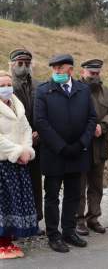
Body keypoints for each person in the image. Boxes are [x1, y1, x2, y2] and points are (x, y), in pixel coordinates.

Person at [34, 54, 97, 253]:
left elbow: (91, 119)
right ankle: (53, 235)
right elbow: (41, 123)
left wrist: (81, 143)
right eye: (54, 69)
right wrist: (61, 147)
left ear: (70, 69)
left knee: (73, 195)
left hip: (78, 152)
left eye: (60, 68)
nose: (57, 72)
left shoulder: (83, 90)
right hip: (54, 154)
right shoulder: (44, 91)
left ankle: (69, 231)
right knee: (52, 196)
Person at [76, 59, 108, 236]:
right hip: (82, 145)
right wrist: (90, 128)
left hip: (100, 145)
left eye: (97, 73)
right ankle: (78, 220)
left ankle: (93, 217)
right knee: (79, 186)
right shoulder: (75, 90)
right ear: (83, 72)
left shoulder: (106, 92)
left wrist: (103, 125)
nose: (94, 76)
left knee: (96, 185)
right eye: (91, 73)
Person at [0, 70, 38, 260]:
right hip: (3, 162)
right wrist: (17, 151)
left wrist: (26, 151)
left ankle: (11, 237)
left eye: (8, 85)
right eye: (2, 85)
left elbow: (26, 129)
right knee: (3, 203)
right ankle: (2, 243)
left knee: (16, 200)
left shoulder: (17, 104)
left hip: (19, 162)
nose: (6, 88)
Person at [9, 49, 44, 234]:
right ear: (12, 64)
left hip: (35, 144)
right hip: (14, 146)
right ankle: (13, 226)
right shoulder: (6, 86)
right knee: (15, 188)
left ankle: (34, 222)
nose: (23, 67)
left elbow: (44, 112)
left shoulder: (39, 86)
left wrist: (39, 132)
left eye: (27, 63)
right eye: (20, 63)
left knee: (35, 184)